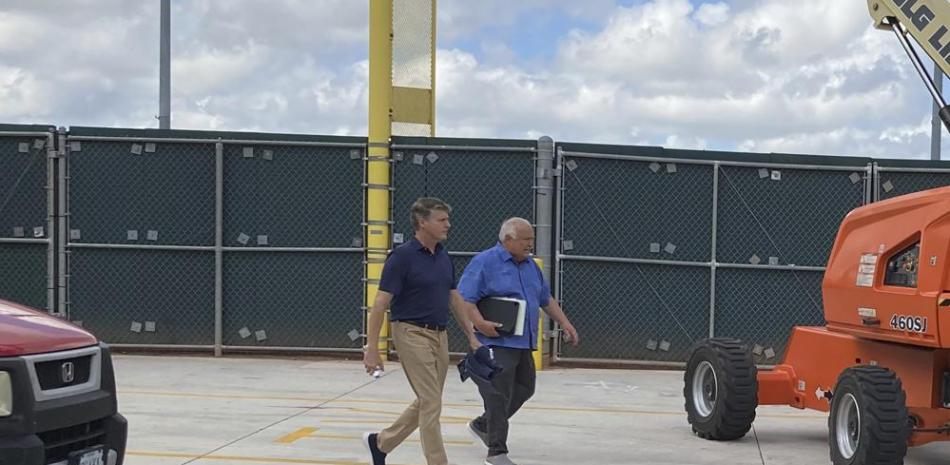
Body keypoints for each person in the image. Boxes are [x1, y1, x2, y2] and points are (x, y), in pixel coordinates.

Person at [361, 197, 481, 465]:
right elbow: (380, 303)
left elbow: (454, 297)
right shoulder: (402, 257)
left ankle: (381, 443)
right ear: (422, 222)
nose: (448, 225)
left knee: (429, 400)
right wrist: (372, 348)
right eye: (442, 220)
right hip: (410, 333)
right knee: (430, 401)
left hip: (440, 335)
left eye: (447, 219)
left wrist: (472, 336)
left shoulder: (443, 256)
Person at [457, 217, 580, 465]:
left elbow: (545, 299)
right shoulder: (484, 262)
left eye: (532, 239)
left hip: (523, 342)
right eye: (525, 239)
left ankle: (483, 424)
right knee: (497, 395)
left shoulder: (531, 266)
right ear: (508, 239)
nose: (530, 244)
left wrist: (565, 323)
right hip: (496, 342)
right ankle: (496, 452)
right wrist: (480, 324)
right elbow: (464, 298)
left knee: (525, 388)